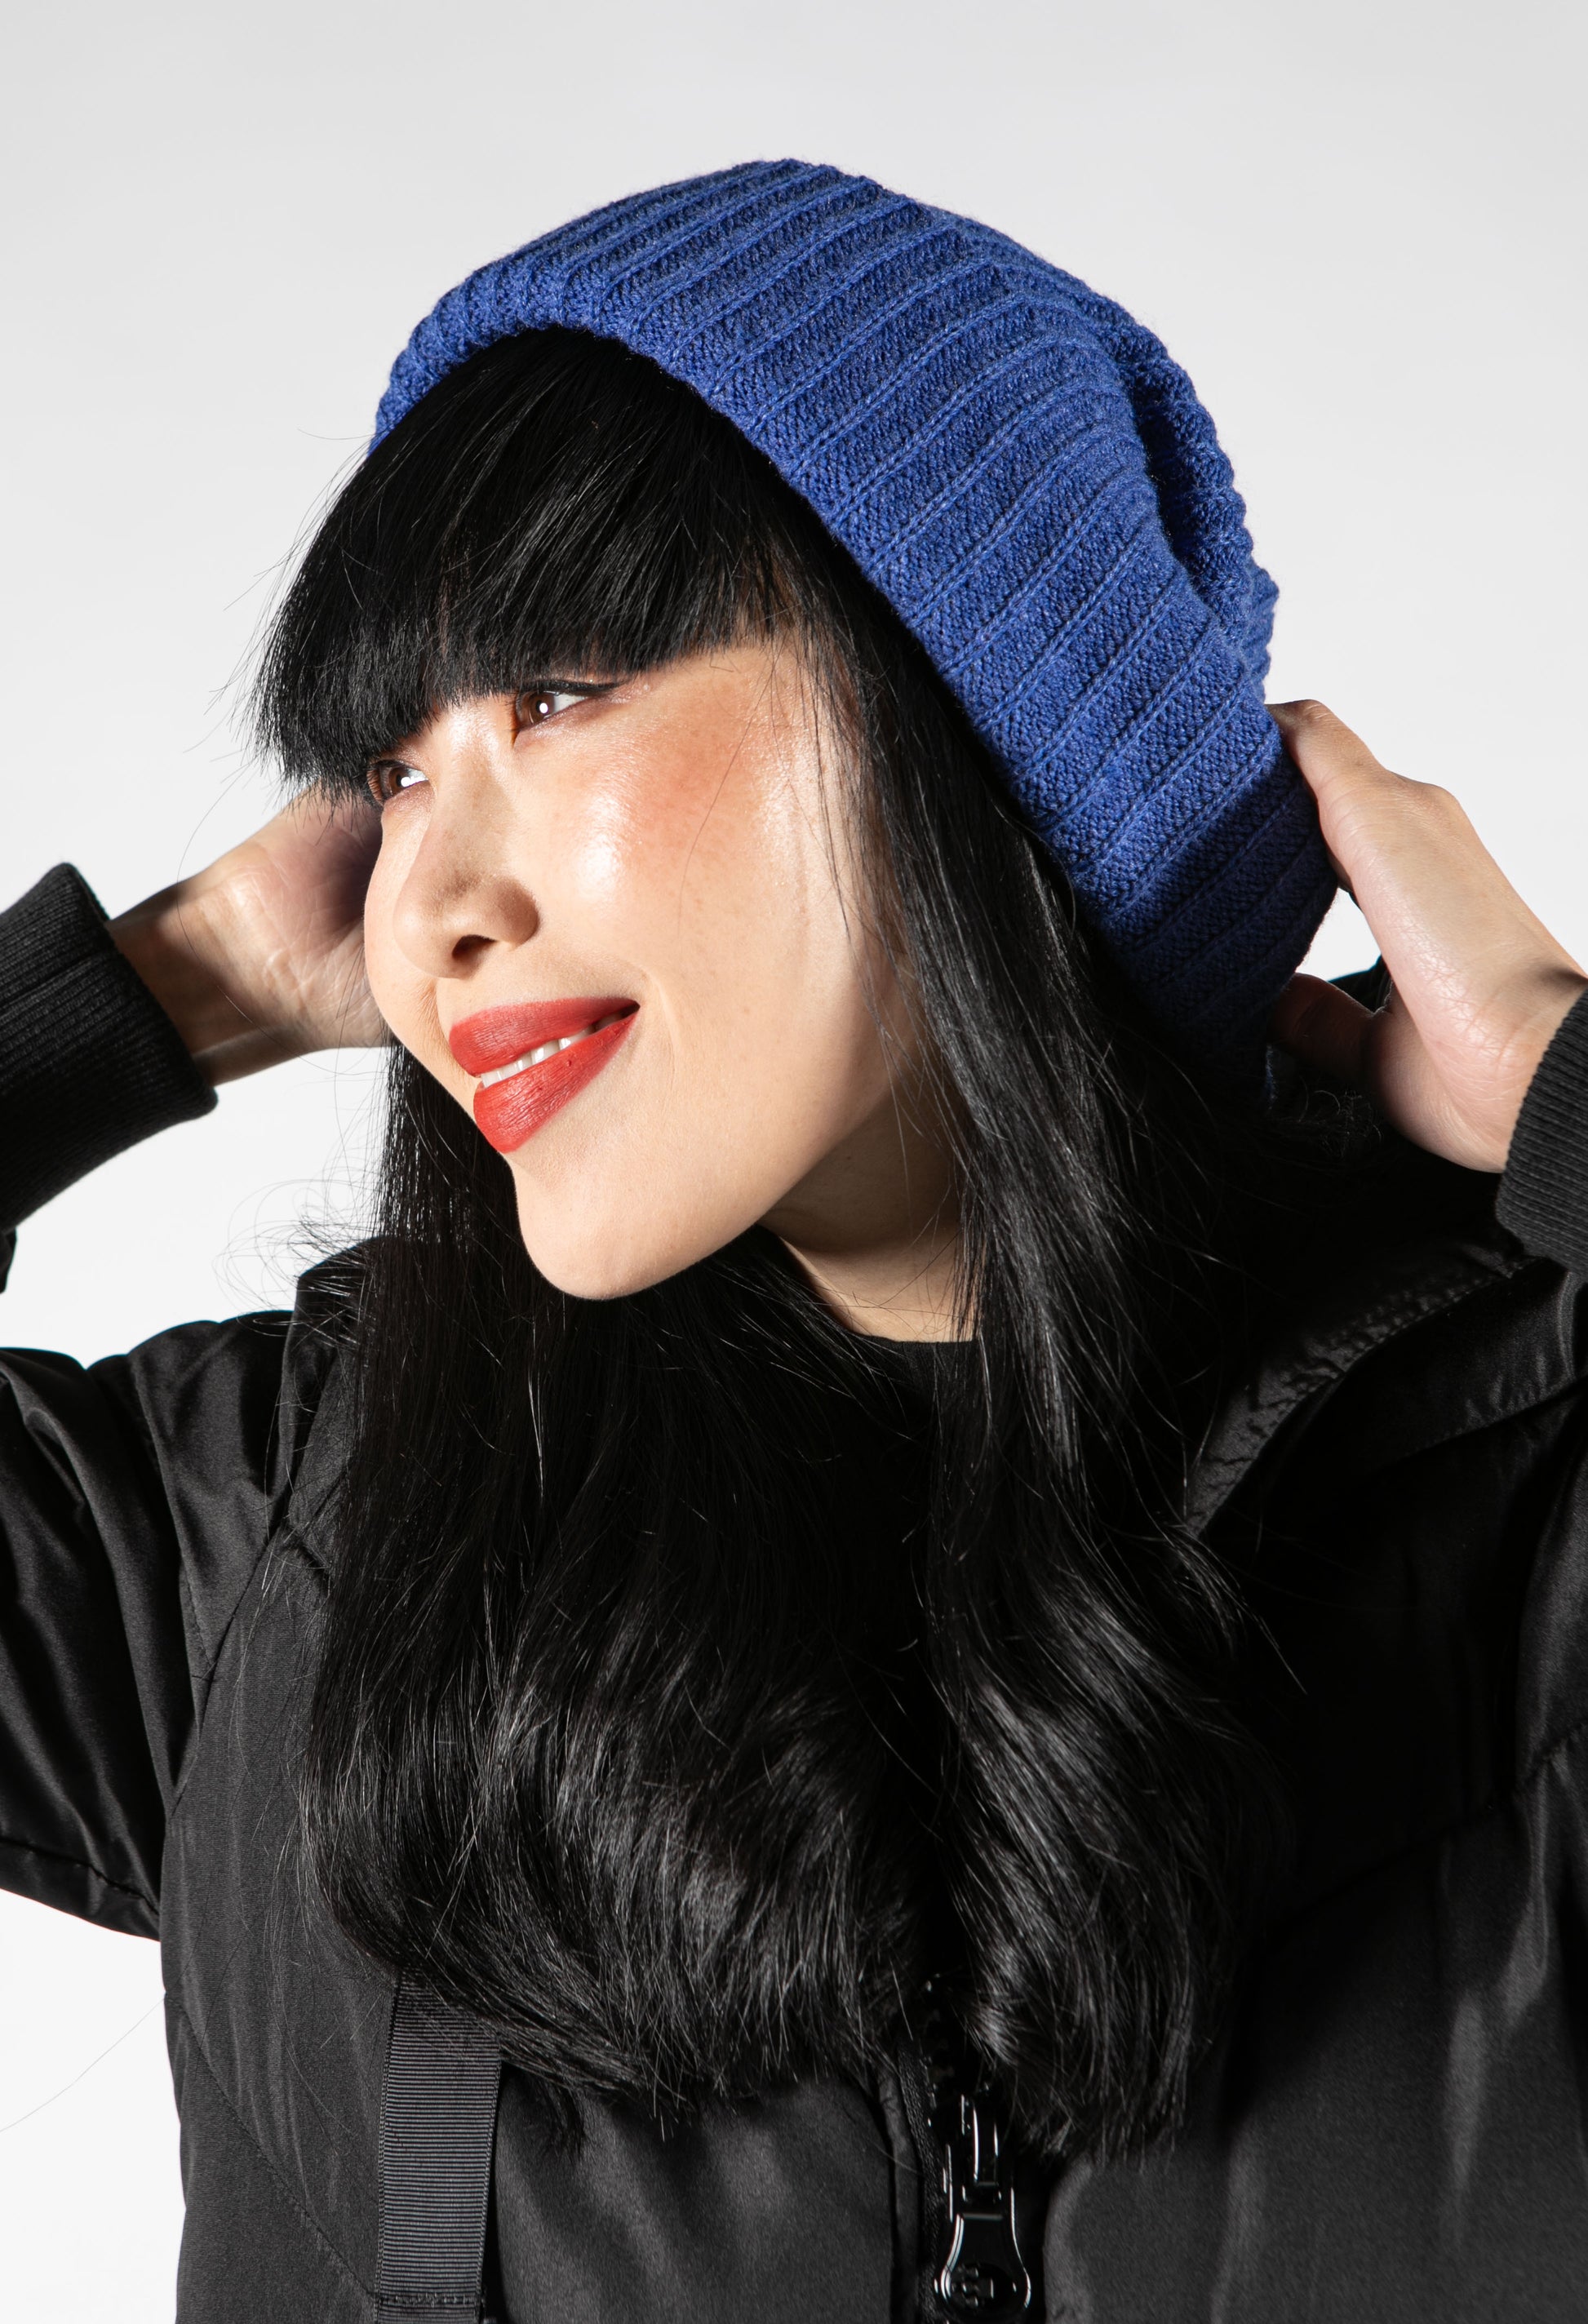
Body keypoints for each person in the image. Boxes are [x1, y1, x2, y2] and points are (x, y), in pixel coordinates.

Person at [4, 160, 1587, 2324]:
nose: (421, 902)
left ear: (975, 711)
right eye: (390, 768)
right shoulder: (290, 1537)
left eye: (556, 690)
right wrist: (141, 1001)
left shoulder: (1528, 1501)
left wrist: (1562, 1076)